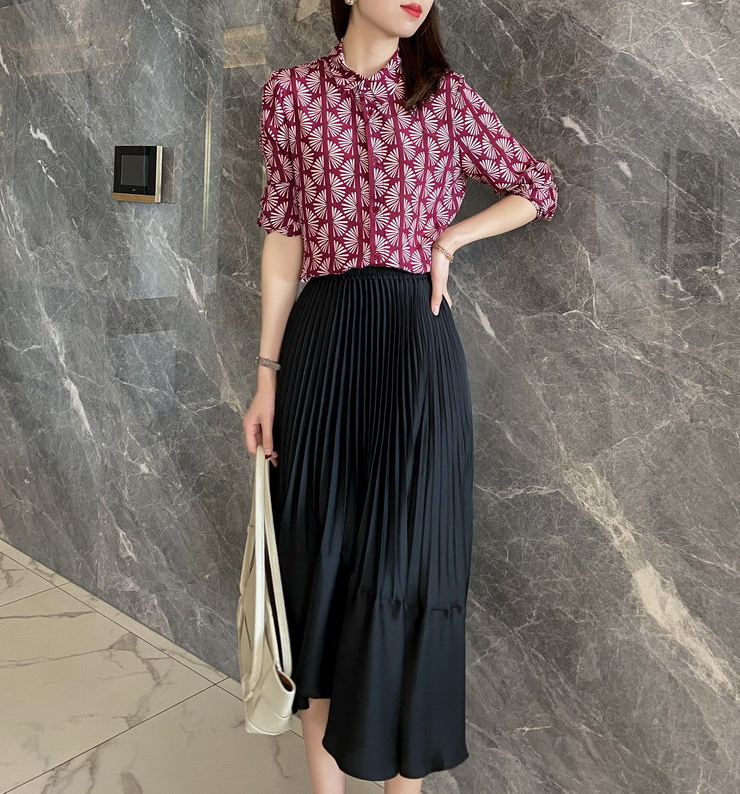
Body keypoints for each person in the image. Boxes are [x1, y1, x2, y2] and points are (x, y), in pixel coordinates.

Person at [243, 1, 558, 792]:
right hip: (321, 352)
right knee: (319, 576)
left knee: (411, 573)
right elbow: (283, 237)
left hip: (416, 354)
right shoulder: (289, 95)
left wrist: (451, 238)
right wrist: (266, 375)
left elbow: (536, 185)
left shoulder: (444, 95)